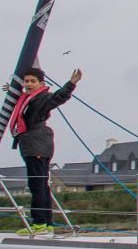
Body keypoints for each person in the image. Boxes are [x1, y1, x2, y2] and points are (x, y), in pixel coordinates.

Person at [7, 66, 82, 234]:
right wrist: (12, 90)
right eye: (26, 81)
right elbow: (23, 100)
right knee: (42, 184)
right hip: (35, 144)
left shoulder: (42, 98)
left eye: (32, 81)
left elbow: (58, 97)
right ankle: (47, 223)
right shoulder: (29, 98)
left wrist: (71, 84)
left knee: (36, 184)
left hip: (36, 144)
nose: (28, 84)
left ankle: (39, 223)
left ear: (41, 83)